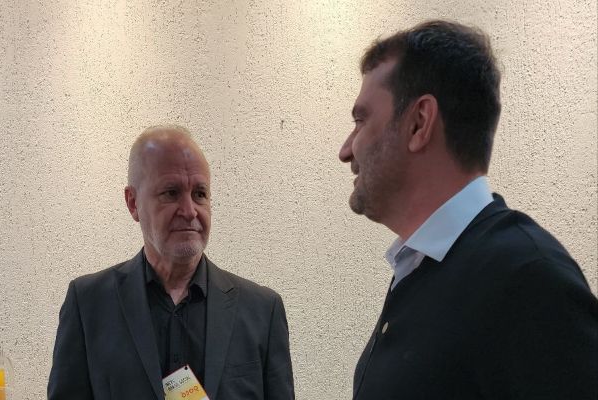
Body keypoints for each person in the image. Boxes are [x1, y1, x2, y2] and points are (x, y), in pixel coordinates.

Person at [338, 20, 597, 400]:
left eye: (361, 121)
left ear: (419, 123)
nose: (346, 150)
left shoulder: (528, 278)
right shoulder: (422, 267)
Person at [48, 125, 294, 400]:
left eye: (200, 194)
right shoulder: (88, 305)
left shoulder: (262, 311)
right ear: (133, 203)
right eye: (171, 192)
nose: (189, 211)